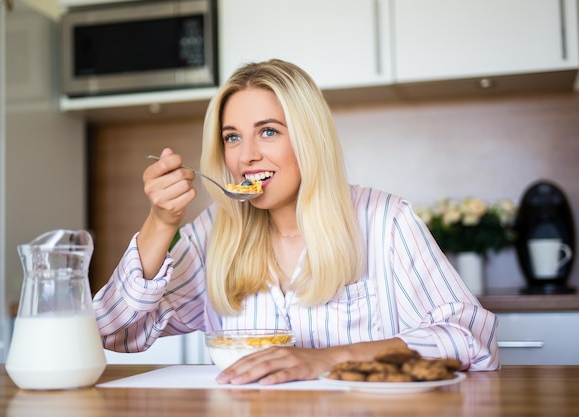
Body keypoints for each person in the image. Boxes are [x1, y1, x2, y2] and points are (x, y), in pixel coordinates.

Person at [93, 59, 500, 385]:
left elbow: (472, 339)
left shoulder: (385, 221)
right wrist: (161, 223)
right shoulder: (215, 231)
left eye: (268, 132)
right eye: (232, 137)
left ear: (308, 138)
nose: (246, 156)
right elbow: (113, 331)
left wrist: (322, 359)